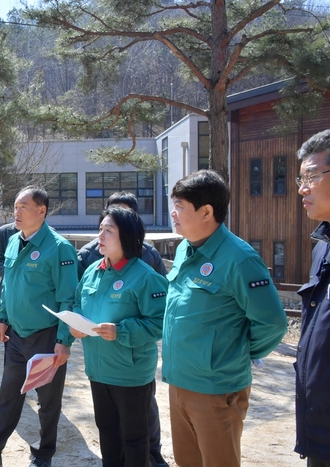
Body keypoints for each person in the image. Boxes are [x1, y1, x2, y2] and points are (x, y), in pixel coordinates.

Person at [162, 170, 287, 467]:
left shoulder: (239, 259)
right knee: (187, 461)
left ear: (206, 211)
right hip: (179, 381)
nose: (173, 213)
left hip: (216, 390)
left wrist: (240, 353)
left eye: (180, 205)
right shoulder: (185, 249)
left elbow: (272, 323)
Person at [0, 186, 78, 467]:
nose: (17, 212)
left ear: (42, 211)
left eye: (23, 206)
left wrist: (64, 341)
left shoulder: (59, 248)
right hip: (15, 336)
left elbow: (67, 298)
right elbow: (7, 287)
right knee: (8, 397)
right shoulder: (13, 241)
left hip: (46, 337)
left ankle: (43, 455)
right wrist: (2, 318)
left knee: (47, 403)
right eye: (15, 207)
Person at [76, 191, 169, 467]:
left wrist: (122, 331)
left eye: (109, 231)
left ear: (126, 236)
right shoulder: (93, 270)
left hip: (130, 374)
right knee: (108, 434)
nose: (100, 236)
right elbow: (80, 305)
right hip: (98, 369)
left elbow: (160, 322)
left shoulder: (146, 277)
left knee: (134, 438)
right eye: (100, 229)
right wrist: (76, 325)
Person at [295, 129, 330, 466]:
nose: (303, 188)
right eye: (300, 178)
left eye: (312, 176)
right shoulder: (323, 248)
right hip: (319, 431)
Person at [0, 222, 18, 328]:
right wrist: (11, 278)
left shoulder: (49, 233)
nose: (18, 212)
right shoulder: (4, 231)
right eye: (16, 207)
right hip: (7, 287)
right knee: (6, 329)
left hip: (32, 292)